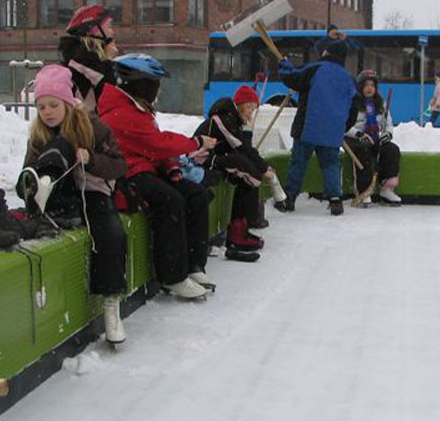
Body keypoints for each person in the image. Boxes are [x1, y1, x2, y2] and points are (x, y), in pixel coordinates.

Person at [17, 65, 129, 345]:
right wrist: (27, 186)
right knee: (57, 148)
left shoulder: (94, 127)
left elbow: (119, 165)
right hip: (61, 193)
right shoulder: (39, 136)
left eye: (53, 105)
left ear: (67, 102)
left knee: (111, 234)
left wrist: (91, 159)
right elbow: (26, 168)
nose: (47, 112)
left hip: (91, 191)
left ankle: (111, 303)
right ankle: (42, 190)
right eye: (41, 106)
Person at [97, 54, 218, 299]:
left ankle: (194, 264)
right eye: (156, 84)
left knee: (195, 194)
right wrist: (195, 142)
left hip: (145, 169)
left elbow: (151, 148)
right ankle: (172, 276)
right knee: (169, 199)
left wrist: (169, 167)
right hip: (126, 175)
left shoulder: (135, 108)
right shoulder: (121, 113)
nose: (158, 90)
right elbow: (156, 143)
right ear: (142, 84)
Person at [195, 86, 287, 257]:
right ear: (240, 104)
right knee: (249, 173)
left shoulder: (231, 120)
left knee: (247, 173)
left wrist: (263, 167)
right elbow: (241, 147)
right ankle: (238, 232)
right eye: (250, 108)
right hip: (202, 159)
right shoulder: (222, 119)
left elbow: (245, 148)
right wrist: (264, 170)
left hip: (214, 157)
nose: (250, 114)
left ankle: (240, 228)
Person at [277, 39, 357, 215]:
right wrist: (341, 128)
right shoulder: (349, 78)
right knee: (330, 165)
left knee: (298, 162)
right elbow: (353, 110)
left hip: (308, 126)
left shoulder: (316, 68)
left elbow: (293, 77)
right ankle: (335, 200)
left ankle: (289, 198)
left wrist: (284, 65)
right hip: (332, 131)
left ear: (327, 52)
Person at [345, 70, 402, 206]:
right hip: (354, 138)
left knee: (391, 149)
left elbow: (388, 123)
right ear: (360, 87)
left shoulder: (380, 104)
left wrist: (387, 134)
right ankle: (363, 191)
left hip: (374, 136)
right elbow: (344, 125)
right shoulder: (352, 103)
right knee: (363, 151)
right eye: (366, 85)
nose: (370, 88)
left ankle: (386, 188)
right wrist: (358, 134)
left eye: (372, 85)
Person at [58, 5, 119, 114]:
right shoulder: (84, 59)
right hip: (85, 126)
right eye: (109, 27)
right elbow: (113, 90)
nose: (112, 32)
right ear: (93, 30)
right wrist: (109, 61)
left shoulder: (84, 56)